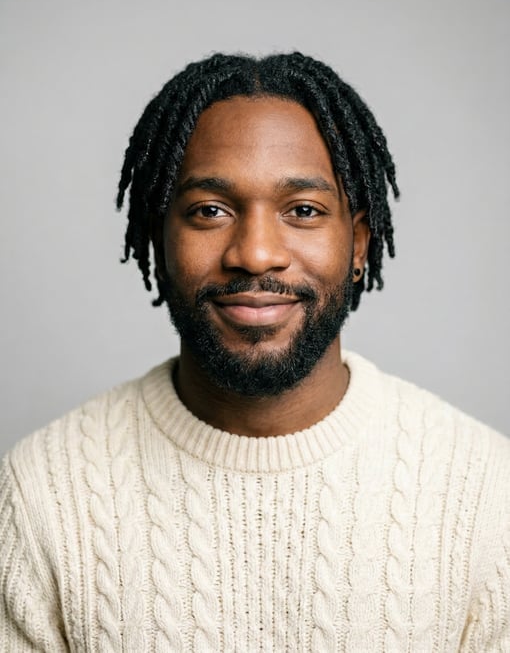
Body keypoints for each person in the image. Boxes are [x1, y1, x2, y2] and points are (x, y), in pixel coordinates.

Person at [1, 53, 509, 652]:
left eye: (303, 211)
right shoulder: (41, 493)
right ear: (157, 239)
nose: (256, 253)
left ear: (359, 244)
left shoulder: (485, 494)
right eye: (210, 211)